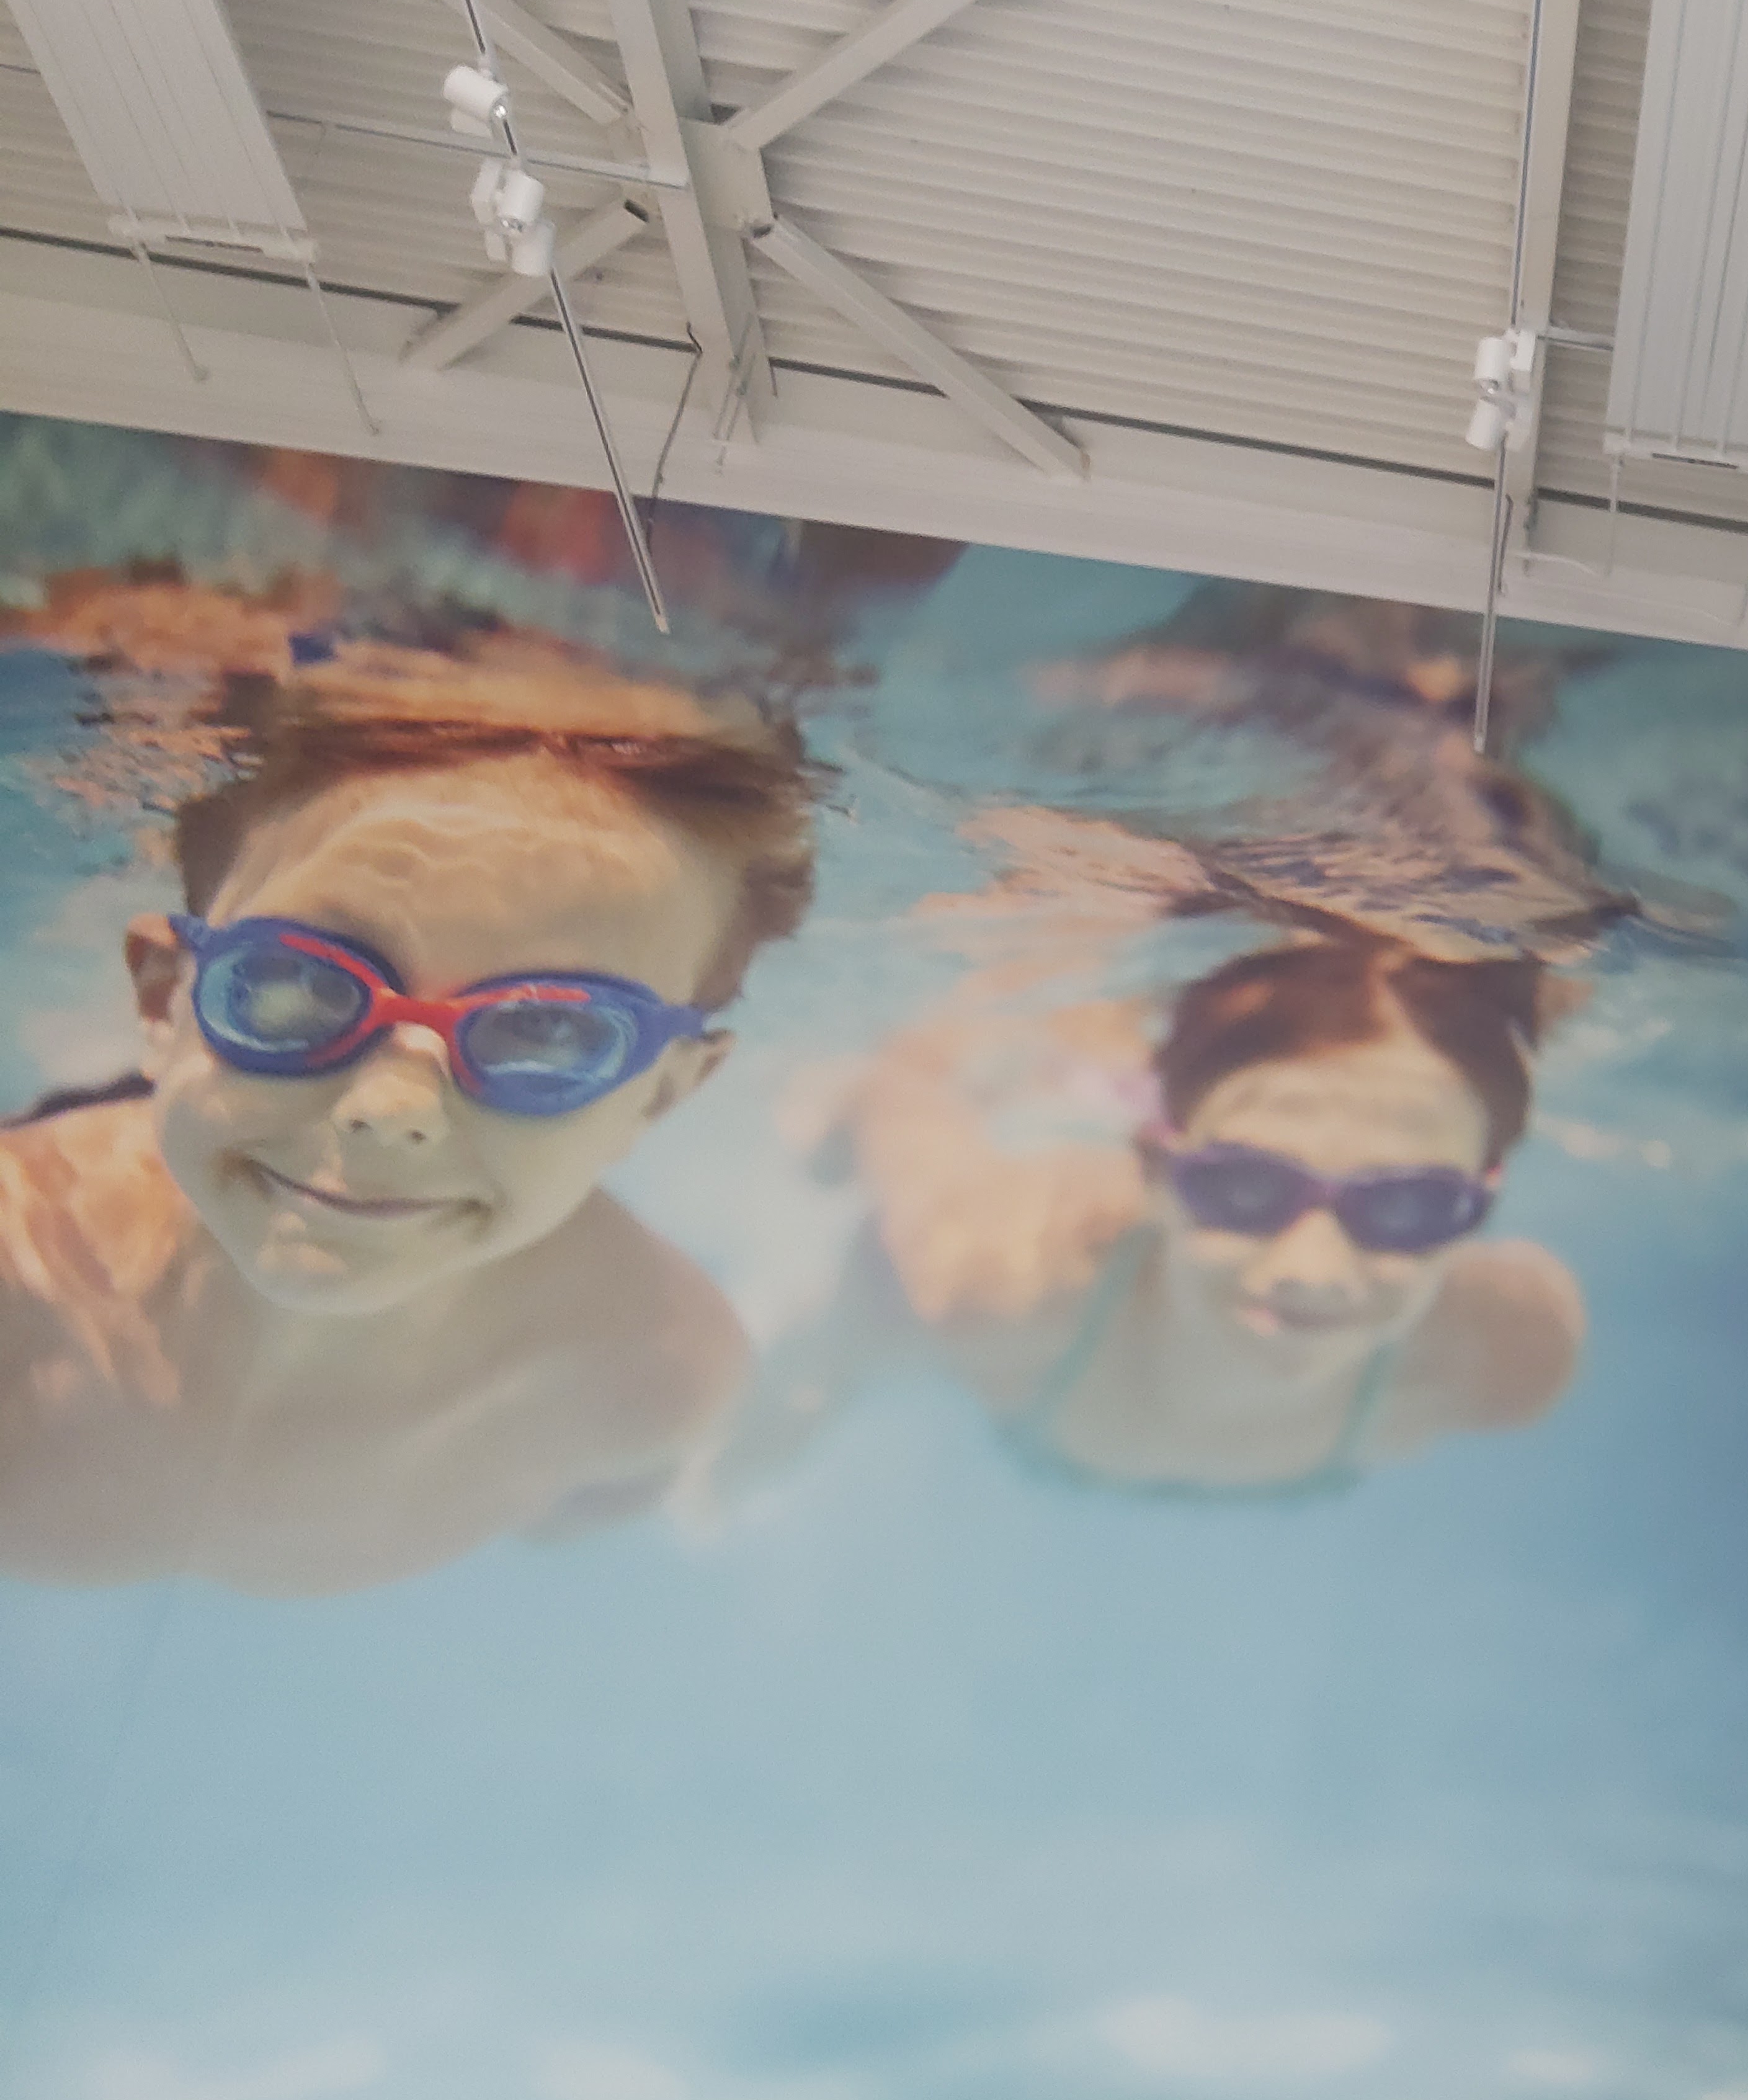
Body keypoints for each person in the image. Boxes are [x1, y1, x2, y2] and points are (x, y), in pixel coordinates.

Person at [0, 638, 809, 1593]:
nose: (391, 1109)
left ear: (662, 1095)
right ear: (164, 999)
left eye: (546, 1032)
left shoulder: (652, 1374)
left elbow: (607, 1502)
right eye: (297, 982)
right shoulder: (21, 1273)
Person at [728, 924, 1584, 1501]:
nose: (1314, 1271)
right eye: (1245, 1189)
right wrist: (852, 1124)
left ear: (1481, 1199)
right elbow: (910, 1085)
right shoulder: (996, 1277)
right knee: (830, 1349)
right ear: (1155, 1169)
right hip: (913, 1296)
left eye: (1408, 1205)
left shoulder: (1506, 1353)